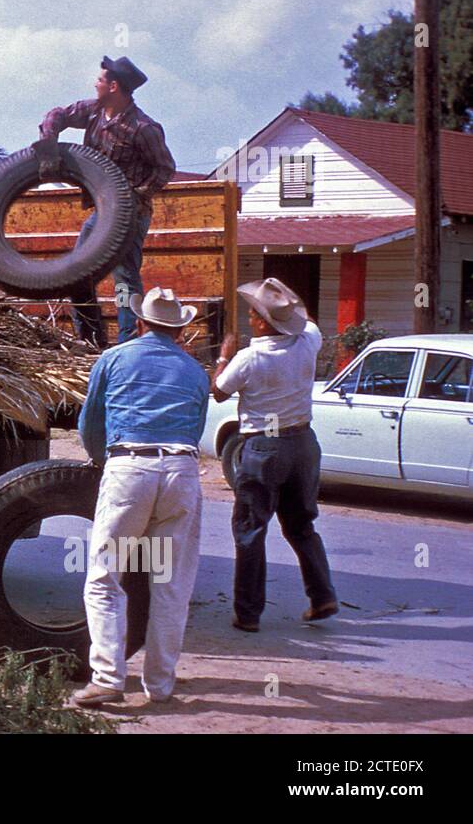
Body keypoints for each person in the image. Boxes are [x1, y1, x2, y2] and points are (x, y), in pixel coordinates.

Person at [74, 287, 210, 707]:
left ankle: (108, 679)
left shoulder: (115, 359)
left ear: (139, 322)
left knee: (104, 578)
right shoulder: (195, 372)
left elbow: (90, 422)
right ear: (179, 329)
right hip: (181, 473)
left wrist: (104, 461)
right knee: (170, 585)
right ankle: (161, 685)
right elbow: (196, 428)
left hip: (130, 468)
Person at [211, 277, 337, 632]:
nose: (250, 318)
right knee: (301, 526)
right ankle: (322, 595)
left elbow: (218, 393)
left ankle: (248, 613)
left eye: (254, 314)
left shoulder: (249, 358)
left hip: (264, 446)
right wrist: (284, 295)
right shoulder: (308, 341)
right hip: (302, 443)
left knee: (251, 529)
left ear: (264, 323)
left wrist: (223, 355)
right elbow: (307, 317)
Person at [35, 56, 176, 348]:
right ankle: (89, 338)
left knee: (123, 280)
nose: (95, 83)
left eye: (99, 80)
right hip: (102, 211)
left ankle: (127, 343)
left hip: (130, 214)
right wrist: (49, 142)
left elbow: (164, 169)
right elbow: (57, 114)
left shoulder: (143, 127)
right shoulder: (94, 111)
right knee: (77, 270)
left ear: (113, 86)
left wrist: (135, 195)